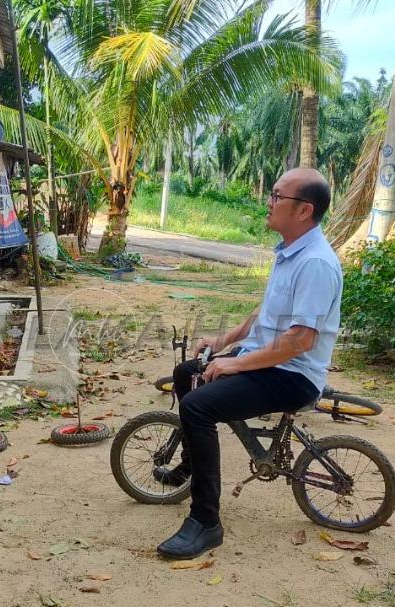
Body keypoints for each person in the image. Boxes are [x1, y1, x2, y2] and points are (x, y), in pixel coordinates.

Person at [155, 168, 343, 560]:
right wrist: (224, 342)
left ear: (305, 210)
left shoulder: (316, 264)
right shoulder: (290, 250)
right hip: (268, 360)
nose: (269, 203)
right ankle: (190, 466)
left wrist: (236, 365)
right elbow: (266, 312)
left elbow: (299, 341)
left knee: (198, 405)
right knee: (187, 374)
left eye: (277, 196)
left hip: (292, 375)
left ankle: (206, 521)